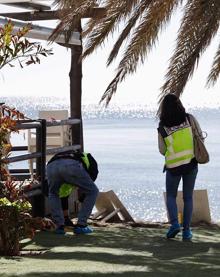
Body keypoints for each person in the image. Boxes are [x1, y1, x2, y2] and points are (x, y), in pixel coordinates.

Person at [157, 94, 202, 240]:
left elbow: (162, 150)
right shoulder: (190, 119)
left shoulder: (162, 126)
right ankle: (187, 231)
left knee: (171, 196)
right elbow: (199, 135)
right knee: (188, 197)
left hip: (173, 166)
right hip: (191, 163)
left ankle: (175, 224)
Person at [46, 150, 99, 235]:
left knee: (53, 193)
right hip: (71, 166)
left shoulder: (72, 154)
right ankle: (81, 225)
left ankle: (59, 226)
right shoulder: (89, 157)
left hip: (51, 166)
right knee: (93, 191)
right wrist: (84, 194)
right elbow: (92, 177)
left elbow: (63, 194)